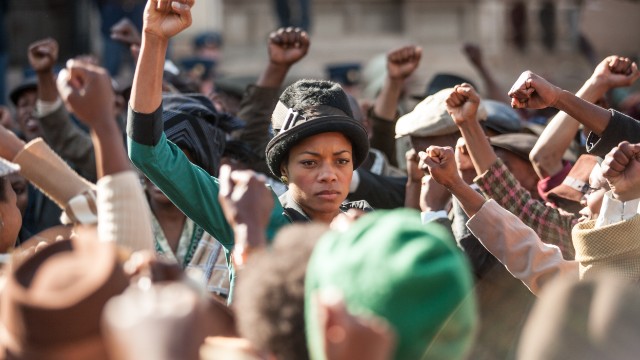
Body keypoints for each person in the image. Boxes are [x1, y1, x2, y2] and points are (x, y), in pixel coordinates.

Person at [127, 1, 370, 260]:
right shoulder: (251, 213)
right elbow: (148, 151)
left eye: (342, 161)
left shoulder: (368, 231)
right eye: (310, 162)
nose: (328, 175)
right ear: (283, 170)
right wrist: (154, 39)